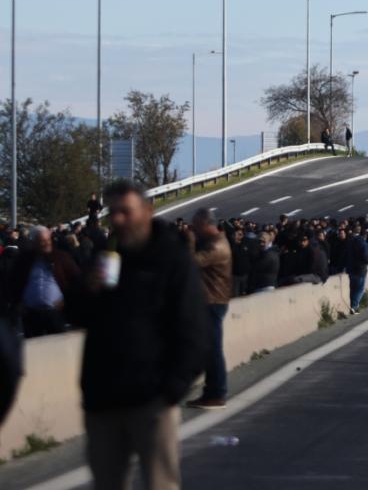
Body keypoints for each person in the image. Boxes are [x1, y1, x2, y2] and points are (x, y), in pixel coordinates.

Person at [64, 180, 209, 490]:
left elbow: (194, 326)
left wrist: (173, 388)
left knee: (160, 483)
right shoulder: (107, 255)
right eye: (113, 212)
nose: (118, 219)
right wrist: (87, 289)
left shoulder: (170, 258)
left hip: (152, 399)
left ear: (147, 211)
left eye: (126, 212)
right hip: (103, 399)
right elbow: (77, 316)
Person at [185, 208, 233, 411]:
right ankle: (210, 392)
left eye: (196, 225)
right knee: (208, 349)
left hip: (213, 302)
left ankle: (217, 394)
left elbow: (191, 262)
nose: (193, 229)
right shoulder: (212, 242)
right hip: (209, 301)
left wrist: (189, 241)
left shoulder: (217, 246)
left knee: (213, 350)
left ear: (205, 225)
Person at [9, 226, 80, 337]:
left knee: (58, 343)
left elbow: (77, 280)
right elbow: (13, 281)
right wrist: (17, 303)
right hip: (30, 312)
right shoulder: (24, 259)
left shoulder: (61, 257)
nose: (47, 243)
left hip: (55, 312)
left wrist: (67, 300)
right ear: (34, 242)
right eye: (42, 241)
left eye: (48, 240)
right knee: (34, 345)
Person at [346, 224, 368, 314]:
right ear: (365, 235)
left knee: (352, 289)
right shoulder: (364, 243)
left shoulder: (349, 242)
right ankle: (354, 306)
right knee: (360, 289)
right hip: (360, 269)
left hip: (350, 269)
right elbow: (365, 256)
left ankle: (353, 306)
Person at [230, 229, 250, 297]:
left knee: (244, 295)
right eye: (235, 235)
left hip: (245, 275)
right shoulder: (231, 245)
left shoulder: (246, 244)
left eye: (240, 234)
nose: (238, 236)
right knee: (235, 296)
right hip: (235, 276)